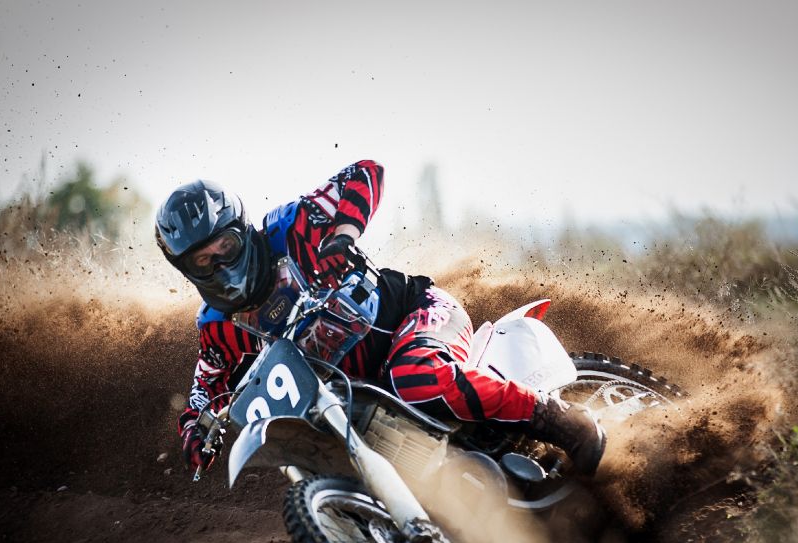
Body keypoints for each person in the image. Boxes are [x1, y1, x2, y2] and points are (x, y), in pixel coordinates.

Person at [155, 160, 605, 476]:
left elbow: (366, 173)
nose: (220, 265)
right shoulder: (218, 326)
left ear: (242, 231)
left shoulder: (291, 228)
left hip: (420, 314)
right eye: (203, 261)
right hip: (356, 397)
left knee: (417, 376)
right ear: (186, 269)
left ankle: (562, 420)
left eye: (226, 248)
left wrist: (344, 234)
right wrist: (196, 431)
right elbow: (205, 388)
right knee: (323, 447)